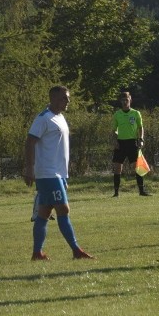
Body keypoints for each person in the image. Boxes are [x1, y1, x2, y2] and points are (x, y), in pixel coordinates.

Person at [23, 85, 94, 261]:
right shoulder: (43, 118)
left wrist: (63, 177)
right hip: (47, 174)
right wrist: (29, 168)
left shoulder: (60, 118)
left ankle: (37, 253)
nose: (68, 101)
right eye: (64, 98)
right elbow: (30, 142)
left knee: (44, 212)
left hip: (57, 174)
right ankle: (77, 251)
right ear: (53, 99)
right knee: (63, 209)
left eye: (68, 98)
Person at [111, 90, 150, 197]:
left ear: (130, 100)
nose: (125, 102)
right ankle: (116, 193)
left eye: (126, 100)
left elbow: (141, 127)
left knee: (136, 167)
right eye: (123, 100)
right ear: (120, 101)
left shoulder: (136, 113)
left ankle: (142, 191)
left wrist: (141, 139)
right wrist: (115, 141)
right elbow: (114, 129)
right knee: (117, 167)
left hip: (132, 143)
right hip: (120, 143)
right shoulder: (117, 114)